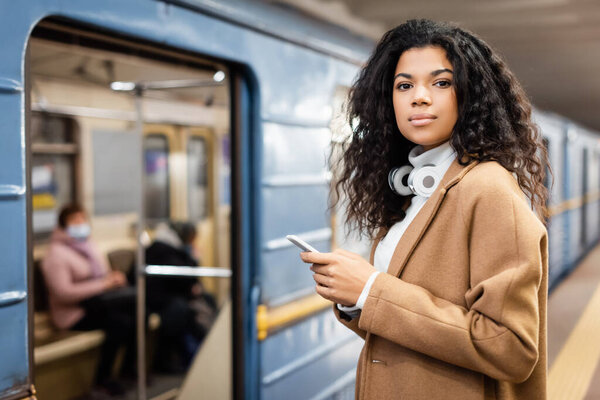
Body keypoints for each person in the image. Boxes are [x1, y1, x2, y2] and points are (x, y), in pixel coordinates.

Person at [300, 20, 550, 399]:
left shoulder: (488, 189)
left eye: (441, 82)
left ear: (469, 95)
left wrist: (371, 290)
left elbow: (509, 346)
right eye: (404, 85)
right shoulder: (413, 189)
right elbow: (407, 324)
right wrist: (354, 300)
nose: (419, 97)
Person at [41, 204, 136, 396]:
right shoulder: (55, 255)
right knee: (120, 322)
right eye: (75, 220)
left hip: (97, 305)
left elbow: (103, 274)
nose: (81, 224)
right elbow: (63, 293)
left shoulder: (89, 245)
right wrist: (103, 285)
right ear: (63, 225)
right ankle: (102, 379)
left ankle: (127, 370)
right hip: (73, 313)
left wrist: (113, 279)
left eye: (83, 219)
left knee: (135, 314)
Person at [145, 222, 216, 372]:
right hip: (158, 298)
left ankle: (208, 348)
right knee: (182, 310)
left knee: (208, 298)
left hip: (173, 293)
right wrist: (194, 258)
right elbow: (181, 276)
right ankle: (171, 359)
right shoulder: (162, 249)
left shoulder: (173, 249)